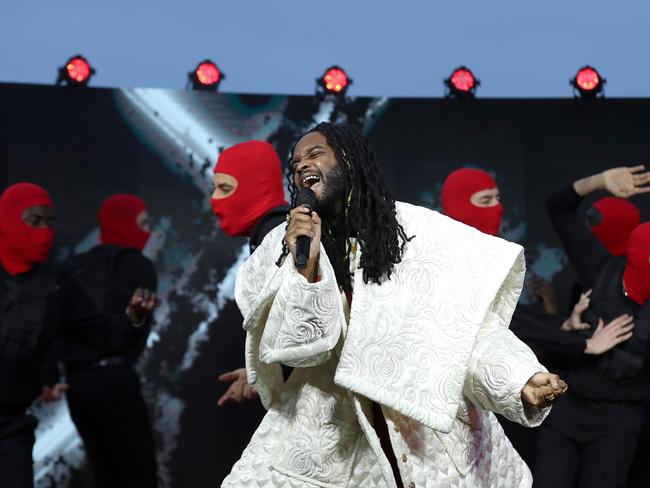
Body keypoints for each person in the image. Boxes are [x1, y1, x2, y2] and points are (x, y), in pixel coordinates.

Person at [222, 123, 566, 488]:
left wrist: (519, 379)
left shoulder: (417, 234)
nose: (301, 165)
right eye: (294, 163)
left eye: (315, 153)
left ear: (350, 162)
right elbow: (295, 348)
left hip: (423, 432)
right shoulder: (281, 247)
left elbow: (465, 329)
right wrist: (305, 270)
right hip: (332, 438)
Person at [440, 168, 635, 468]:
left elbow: (508, 320)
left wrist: (564, 326)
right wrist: (581, 344)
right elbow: (507, 324)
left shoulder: (490, 255)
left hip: (503, 402)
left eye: (498, 198)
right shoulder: (450, 258)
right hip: (453, 399)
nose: (497, 208)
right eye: (485, 200)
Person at [0, 183, 156, 488]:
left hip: (11, 427)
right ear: (7, 221)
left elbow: (101, 333)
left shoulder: (57, 282)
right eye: (34, 221)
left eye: (50, 223)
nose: (44, 231)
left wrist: (133, 316)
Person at [534, 165, 650, 488]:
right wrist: (599, 182)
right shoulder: (600, 268)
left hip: (620, 420)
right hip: (570, 407)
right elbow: (558, 205)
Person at [63, 194, 159, 488]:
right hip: (115, 379)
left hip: (76, 384)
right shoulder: (137, 265)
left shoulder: (73, 266)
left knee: (103, 471)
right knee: (137, 473)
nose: (148, 232)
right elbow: (136, 333)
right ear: (125, 223)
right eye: (142, 224)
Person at [209, 140, 289, 406]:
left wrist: (264, 376)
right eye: (214, 188)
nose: (214, 199)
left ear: (259, 185)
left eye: (225, 188)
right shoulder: (271, 237)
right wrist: (260, 374)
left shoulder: (280, 240)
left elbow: (307, 331)